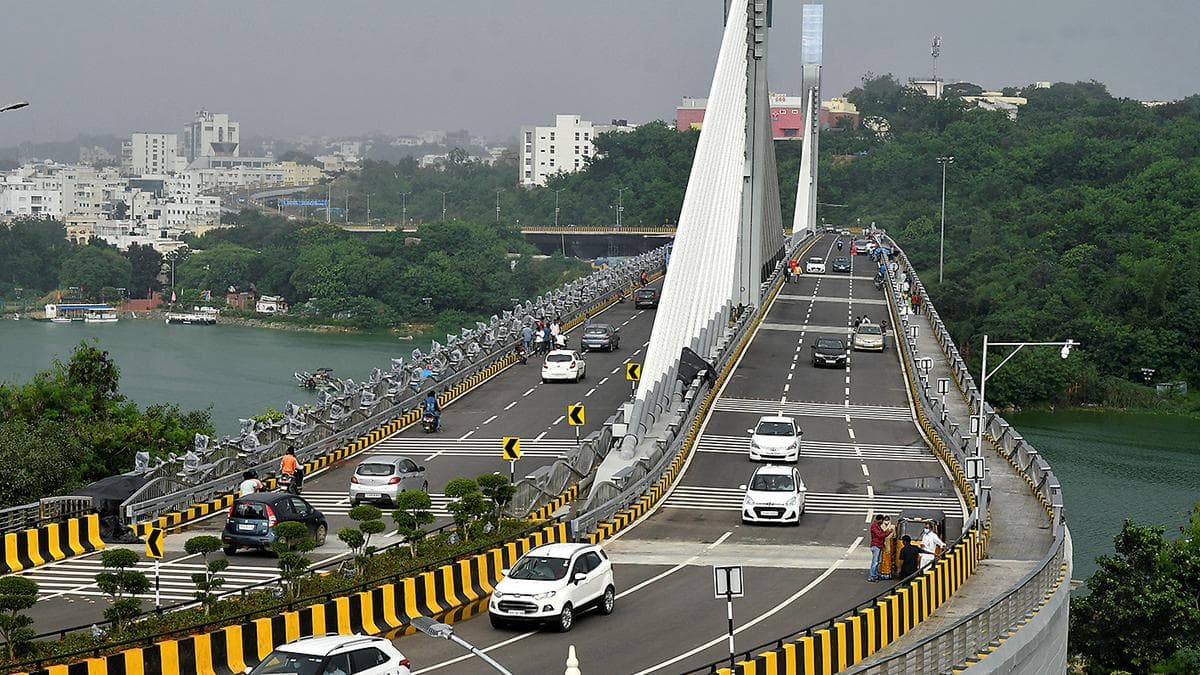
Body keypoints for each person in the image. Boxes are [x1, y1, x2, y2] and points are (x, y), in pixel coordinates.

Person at [868, 514, 887, 582]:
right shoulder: (874, 526)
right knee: (875, 562)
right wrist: (888, 533)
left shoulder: (878, 526)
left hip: (879, 545)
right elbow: (880, 535)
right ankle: (872, 576)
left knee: (878, 561)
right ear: (880, 520)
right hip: (876, 546)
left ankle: (875, 575)